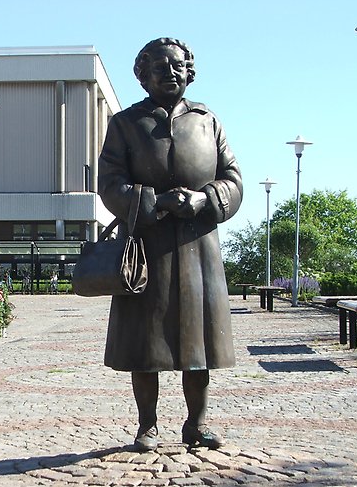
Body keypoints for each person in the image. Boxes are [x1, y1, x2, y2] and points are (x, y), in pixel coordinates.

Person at [98, 37, 243, 451]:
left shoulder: (207, 120)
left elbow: (233, 179)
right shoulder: (125, 124)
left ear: (189, 71)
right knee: (145, 341)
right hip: (145, 247)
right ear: (142, 75)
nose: (170, 72)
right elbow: (109, 183)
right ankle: (148, 425)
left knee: (198, 342)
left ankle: (197, 423)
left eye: (177, 65)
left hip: (199, 244)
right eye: (159, 66)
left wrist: (204, 198)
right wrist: (154, 201)